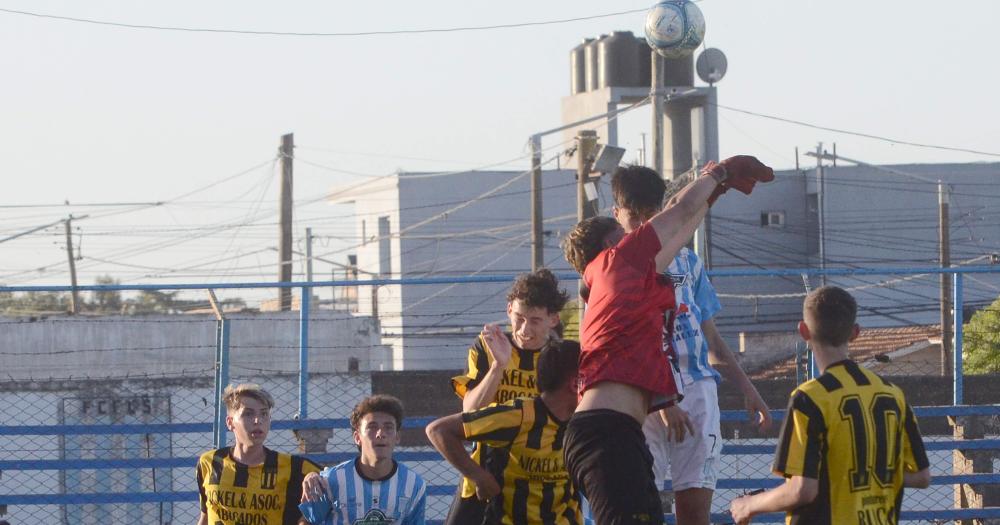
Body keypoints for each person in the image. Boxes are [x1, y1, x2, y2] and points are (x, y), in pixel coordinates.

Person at [561, 156, 774, 524]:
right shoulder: (620, 262)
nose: (637, 234)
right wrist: (715, 174)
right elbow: (680, 211)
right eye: (625, 231)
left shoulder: (617, 283)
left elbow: (681, 225)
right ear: (613, 243)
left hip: (617, 429)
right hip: (607, 432)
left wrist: (714, 195)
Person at [729, 286, 931, 524]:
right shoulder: (893, 395)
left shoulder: (810, 398)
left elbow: (802, 490)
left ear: (803, 331)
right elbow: (921, 476)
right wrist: (872, 472)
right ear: (855, 333)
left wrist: (748, 505)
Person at [447, 268, 571, 524]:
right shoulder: (487, 346)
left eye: (535, 321)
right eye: (519, 318)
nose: (524, 329)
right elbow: (469, 412)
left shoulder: (562, 357)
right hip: (486, 472)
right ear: (508, 311)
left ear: (553, 319)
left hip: (542, 480)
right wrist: (497, 367)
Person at [427, 341, 583, 525]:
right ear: (576, 383)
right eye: (592, 377)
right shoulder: (518, 415)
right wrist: (479, 476)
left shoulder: (584, 424)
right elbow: (439, 430)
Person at [197, 383, 321, 525]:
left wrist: (314, 475)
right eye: (248, 414)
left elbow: (337, 480)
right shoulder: (209, 462)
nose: (258, 421)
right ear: (230, 422)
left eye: (264, 414)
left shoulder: (293, 468)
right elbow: (206, 515)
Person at [299, 395, 427, 525]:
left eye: (388, 427)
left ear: (397, 437)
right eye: (372, 427)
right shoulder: (331, 480)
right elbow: (307, 521)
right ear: (357, 437)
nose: (380, 434)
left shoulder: (414, 484)